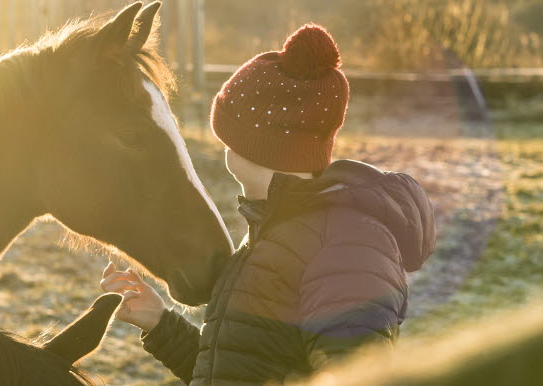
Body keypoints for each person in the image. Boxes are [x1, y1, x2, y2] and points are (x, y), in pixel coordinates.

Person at [100, 24, 435, 385]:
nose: (223, 144)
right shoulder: (272, 231)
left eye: (231, 133)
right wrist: (161, 323)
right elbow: (240, 369)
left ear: (260, 144)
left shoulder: (348, 244)